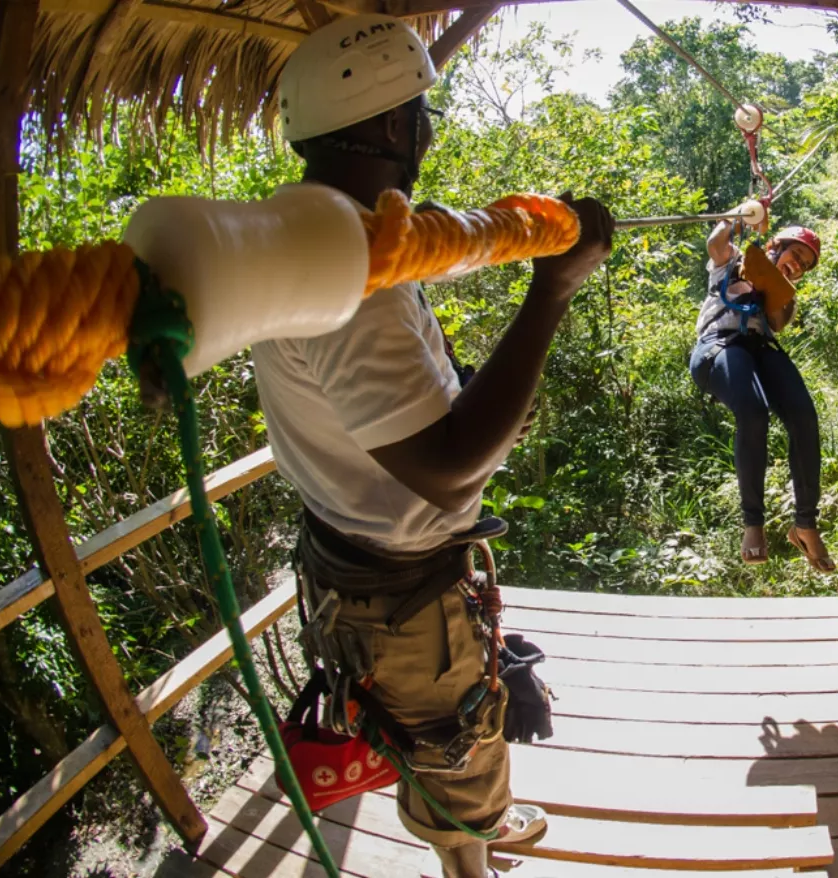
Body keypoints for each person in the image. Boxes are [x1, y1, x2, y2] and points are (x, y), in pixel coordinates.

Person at [252, 15, 613, 877]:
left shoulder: (317, 228)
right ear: (387, 126)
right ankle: (469, 857)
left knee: (427, 730)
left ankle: (469, 832)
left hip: (361, 562)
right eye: (421, 111)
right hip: (404, 590)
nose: (428, 128)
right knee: (452, 738)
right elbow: (447, 468)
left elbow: (417, 415)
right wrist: (553, 290)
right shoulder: (346, 274)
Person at [689, 219, 835, 571]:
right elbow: (715, 243)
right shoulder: (734, 259)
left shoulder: (784, 297)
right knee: (753, 412)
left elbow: (777, 322)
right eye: (795, 255)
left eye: (804, 264)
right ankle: (753, 524)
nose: (798, 265)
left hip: (759, 349)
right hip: (719, 346)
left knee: (803, 416)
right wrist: (739, 215)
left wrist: (772, 283)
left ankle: (804, 524)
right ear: (777, 245)